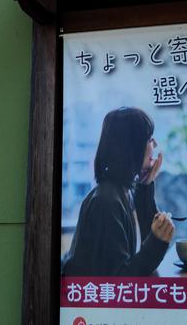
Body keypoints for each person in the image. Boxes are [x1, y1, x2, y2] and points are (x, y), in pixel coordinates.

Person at [62, 107, 175, 276]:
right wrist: (158, 242)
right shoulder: (106, 202)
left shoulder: (121, 191)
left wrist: (145, 188)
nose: (155, 144)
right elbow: (120, 280)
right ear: (131, 147)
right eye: (149, 139)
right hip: (92, 300)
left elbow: (147, 245)